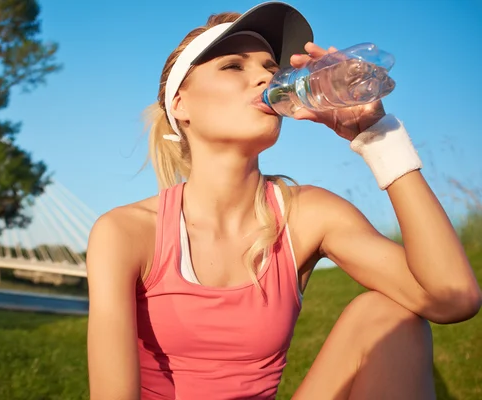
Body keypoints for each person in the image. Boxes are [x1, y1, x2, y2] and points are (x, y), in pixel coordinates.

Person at [86, 2, 481, 399]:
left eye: (270, 69)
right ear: (180, 105)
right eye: (234, 66)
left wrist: (379, 137)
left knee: (388, 316)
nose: (264, 77)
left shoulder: (307, 215)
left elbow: (452, 299)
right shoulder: (125, 233)